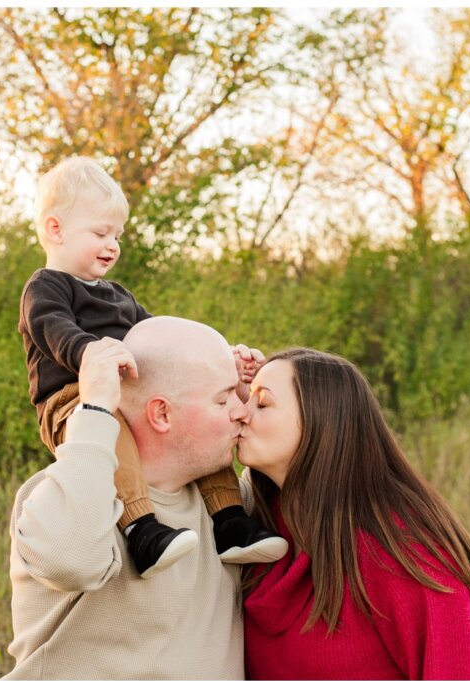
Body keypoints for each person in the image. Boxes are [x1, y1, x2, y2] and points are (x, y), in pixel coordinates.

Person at [17, 156, 285, 577]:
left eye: (117, 235)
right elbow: (54, 331)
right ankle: (142, 527)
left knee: (202, 426)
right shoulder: (46, 287)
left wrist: (220, 362)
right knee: (113, 434)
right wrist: (93, 355)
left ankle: (230, 520)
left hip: (127, 392)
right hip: (74, 401)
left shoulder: (119, 294)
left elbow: (164, 340)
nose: (112, 245)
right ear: (56, 229)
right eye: (100, 232)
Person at [237, 348, 470, 680]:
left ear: (321, 421)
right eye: (244, 400)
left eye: (262, 403)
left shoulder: (402, 548)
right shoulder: (262, 524)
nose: (240, 412)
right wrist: (224, 377)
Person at [5, 317, 267, 680]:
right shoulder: (62, 497)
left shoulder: (234, 510)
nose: (240, 412)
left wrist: (267, 392)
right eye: (223, 399)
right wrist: (95, 410)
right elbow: (71, 562)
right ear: (161, 414)